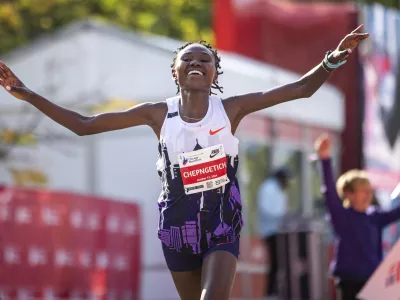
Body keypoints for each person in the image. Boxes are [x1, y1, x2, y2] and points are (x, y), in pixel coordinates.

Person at [0, 25, 368, 300]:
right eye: (187, 60)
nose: (195, 63)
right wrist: (26, 93)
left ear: (214, 74)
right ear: (175, 73)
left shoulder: (232, 109)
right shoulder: (157, 114)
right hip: (176, 226)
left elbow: (300, 89)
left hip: (222, 222)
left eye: (204, 60)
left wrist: (333, 57)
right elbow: (85, 125)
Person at [315, 135, 400, 300]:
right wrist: (325, 160)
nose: (369, 194)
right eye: (363, 190)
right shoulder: (341, 217)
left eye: (370, 190)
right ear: (349, 194)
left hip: (372, 281)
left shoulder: (375, 216)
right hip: (349, 281)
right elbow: (329, 192)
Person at [257, 168, 291, 298]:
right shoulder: (269, 188)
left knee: (280, 264)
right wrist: (283, 217)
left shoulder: (278, 190)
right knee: (276, 263)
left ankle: (277, 292)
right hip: (272, 231)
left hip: (279, 231)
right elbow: (268, 210)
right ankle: (271, 293)